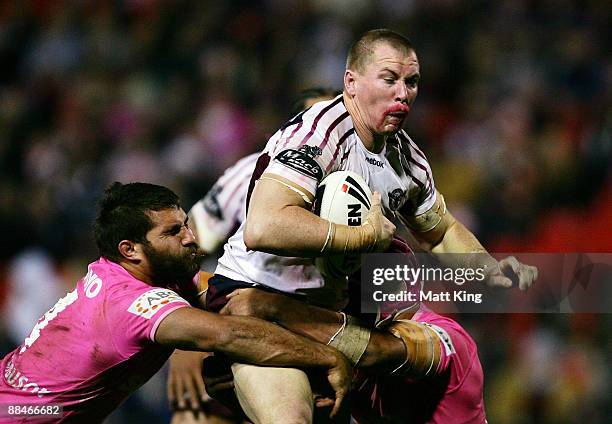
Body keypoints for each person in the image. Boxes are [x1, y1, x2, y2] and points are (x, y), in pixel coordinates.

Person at [204, 28, 536, 424]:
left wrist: (489, 270)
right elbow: (264, 226)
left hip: (334, 320)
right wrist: (362, 236)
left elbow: (441, 231)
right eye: (390, 78)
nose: (403, 93)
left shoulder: (407, 160)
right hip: (259, 306)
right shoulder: (319, 134)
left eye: (411, 82)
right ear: (351, 82)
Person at [0, 182, 351, 423]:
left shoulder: (142, 271)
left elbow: (233, 295)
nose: (190, 238)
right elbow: (230, 335)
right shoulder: (131, 305)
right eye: (172, 233)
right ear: (130, 249)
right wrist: (328, 357)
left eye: (185, 224)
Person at [168, 88, 340, 424]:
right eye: (311, 126)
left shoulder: (360, 187)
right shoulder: (251, 173)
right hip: (249, 329)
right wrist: (183, 344)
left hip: (323, 332)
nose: (321, 139)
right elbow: (181, 251)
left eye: (332, 127)